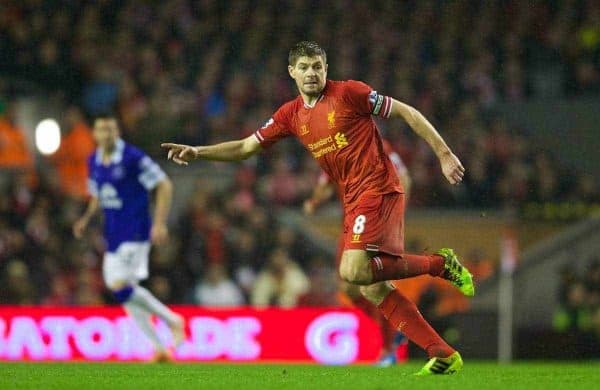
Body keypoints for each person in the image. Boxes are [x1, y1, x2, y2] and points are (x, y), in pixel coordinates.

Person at [162, 41, 474, 375]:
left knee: (352, 272)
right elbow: (245, 146)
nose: (312, 73)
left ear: (326, 69)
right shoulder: (291, 114)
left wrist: (443, 154)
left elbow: (406, 112)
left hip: (378, 187)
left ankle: (440, 264)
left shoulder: (350, 93)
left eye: (318, 66)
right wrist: (198, 152)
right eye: (305, 67)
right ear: (292, 72)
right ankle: (441, 353)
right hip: (352, 198)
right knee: (369, 285)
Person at [74, 115, 184, 362]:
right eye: (102, 129)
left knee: (117, 285)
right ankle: (160, 347)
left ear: (118, 131)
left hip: (136, 229)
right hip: (113, 232)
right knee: (125, 293)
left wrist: (158, 223)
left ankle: (172, 320)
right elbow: (97, 195)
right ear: (95, 133)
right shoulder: (93, 161)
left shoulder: (133, 158)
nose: (107, 134)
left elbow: (164, 184)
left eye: (111, 129)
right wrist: (85, 218)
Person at [303, 138, 411, 367]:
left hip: (375, 224)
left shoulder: (378, 145)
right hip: (351, 227)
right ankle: (396, 327)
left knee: (373, 285)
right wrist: (314, 201)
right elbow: (325, 183)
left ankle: (387, 348)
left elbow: (405, 179)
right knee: (349, 288)